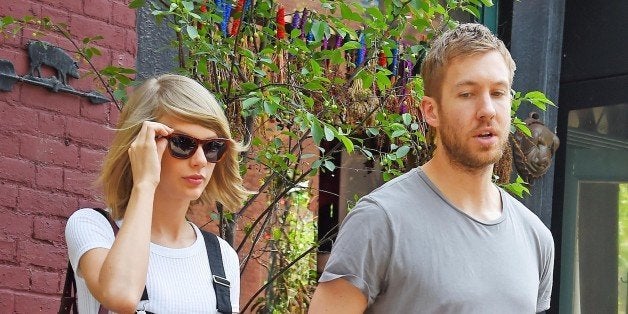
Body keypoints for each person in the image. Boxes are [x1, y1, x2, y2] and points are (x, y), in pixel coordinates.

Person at [309, 23, 554, 313]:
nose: (487, 109)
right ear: (431, 111)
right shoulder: (381, 221)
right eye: (467, 94)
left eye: (498, 93)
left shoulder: (536, 237)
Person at [65, 74, 250, 313]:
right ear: (143, 146)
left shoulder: (222, 257)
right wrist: (144, 183)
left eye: (212, 147)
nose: (201, 161)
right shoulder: (95, 228)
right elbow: (122, 295)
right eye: (182, 144)